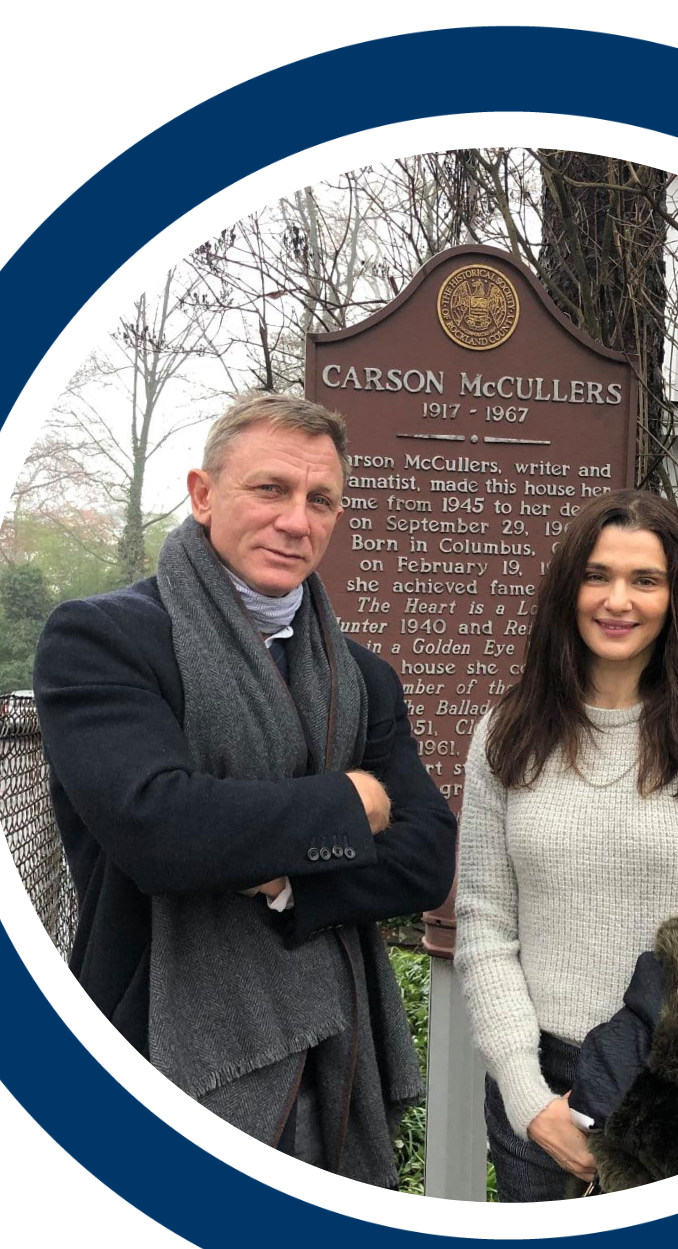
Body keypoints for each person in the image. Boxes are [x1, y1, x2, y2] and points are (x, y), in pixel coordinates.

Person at [33, 391, 457, 1187]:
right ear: (202, 495)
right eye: (270, 489)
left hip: (340, 1052)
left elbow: (428, 857)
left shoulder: (362, 679)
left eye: (320, 499)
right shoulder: (104, 641)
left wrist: (286, 879)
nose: (296, 520)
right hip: (155, 1045)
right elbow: (160, 828)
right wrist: (348, 803)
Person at [453, 489, 678, 1201]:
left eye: (645, 580)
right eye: (597, 575)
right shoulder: (505, 736)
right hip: (536, 1103)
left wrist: (627, 1107)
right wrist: (527, 1095)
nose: (617, 600)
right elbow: (485, 927)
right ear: (569, 588)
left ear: (676, 598)